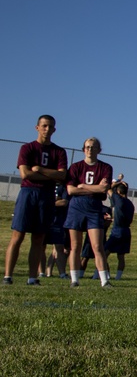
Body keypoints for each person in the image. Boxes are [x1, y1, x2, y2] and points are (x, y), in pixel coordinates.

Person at [4, 115, 68, 285]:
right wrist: (51, 175)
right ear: (37, 127)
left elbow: (62, 175)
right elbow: (25, 174)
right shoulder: (27, 148)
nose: (47, 129)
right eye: (44, 126)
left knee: (39, 238)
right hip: (28, 193)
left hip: (46, 196)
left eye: (50, 127)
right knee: (18, 235)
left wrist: (40, 170)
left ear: (54, 129)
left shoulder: (59, 151)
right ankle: (8, 276)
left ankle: (32, 277)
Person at [64, 137, 114, 287]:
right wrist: (90, 188)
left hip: (94, 206)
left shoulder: (105, 168)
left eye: (93, 147)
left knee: (97, 246)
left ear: (99, 150)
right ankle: (74, 279)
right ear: (83, 149)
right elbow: (70, 190)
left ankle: (104, 281)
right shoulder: (75, 167)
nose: (90, 149)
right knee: (75, 245)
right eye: (87, 147)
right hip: (76, 207)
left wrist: (82, 186)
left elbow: (103, 189)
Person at [104, 179, 135, 281]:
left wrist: (117, 182)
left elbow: (108, 188)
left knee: (104, 254)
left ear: (118, 192)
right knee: (121, 256)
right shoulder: (130, 204)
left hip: (117, 230)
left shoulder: (118, 199)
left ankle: (106, 275)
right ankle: (118, 277)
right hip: (127, 230)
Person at [44, 183, 69, 279]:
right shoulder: (46, 184)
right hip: (46, 219)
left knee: (59, 247)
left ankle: (62, 273)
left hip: (58, 221)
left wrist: (48, 202)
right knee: (42, 247)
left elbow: (64, 202)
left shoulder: (63, 187)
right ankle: (46, 272)